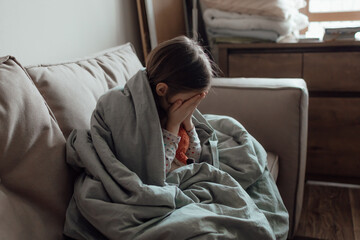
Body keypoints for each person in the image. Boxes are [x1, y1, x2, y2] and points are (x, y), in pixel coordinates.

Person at [146, 36, 217, 173]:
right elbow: (160, 170)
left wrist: (188, 120)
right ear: (161, 90)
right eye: (187, 101)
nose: (190, 105)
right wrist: (173, 124)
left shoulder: (174, 107)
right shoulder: (150, 118)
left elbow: (193, 156)